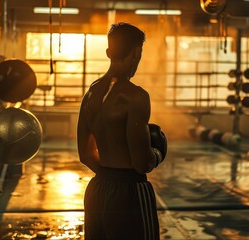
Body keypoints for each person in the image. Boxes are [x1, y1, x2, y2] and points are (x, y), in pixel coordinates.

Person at [77, 22, 167, 240]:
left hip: (97, 189)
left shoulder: (91, 94)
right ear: (136, 53)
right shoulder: (135, 96)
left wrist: (110, 173)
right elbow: (141, 163)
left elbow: (85, 155)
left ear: (109, 52)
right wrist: (157, 153)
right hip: (130, 191)